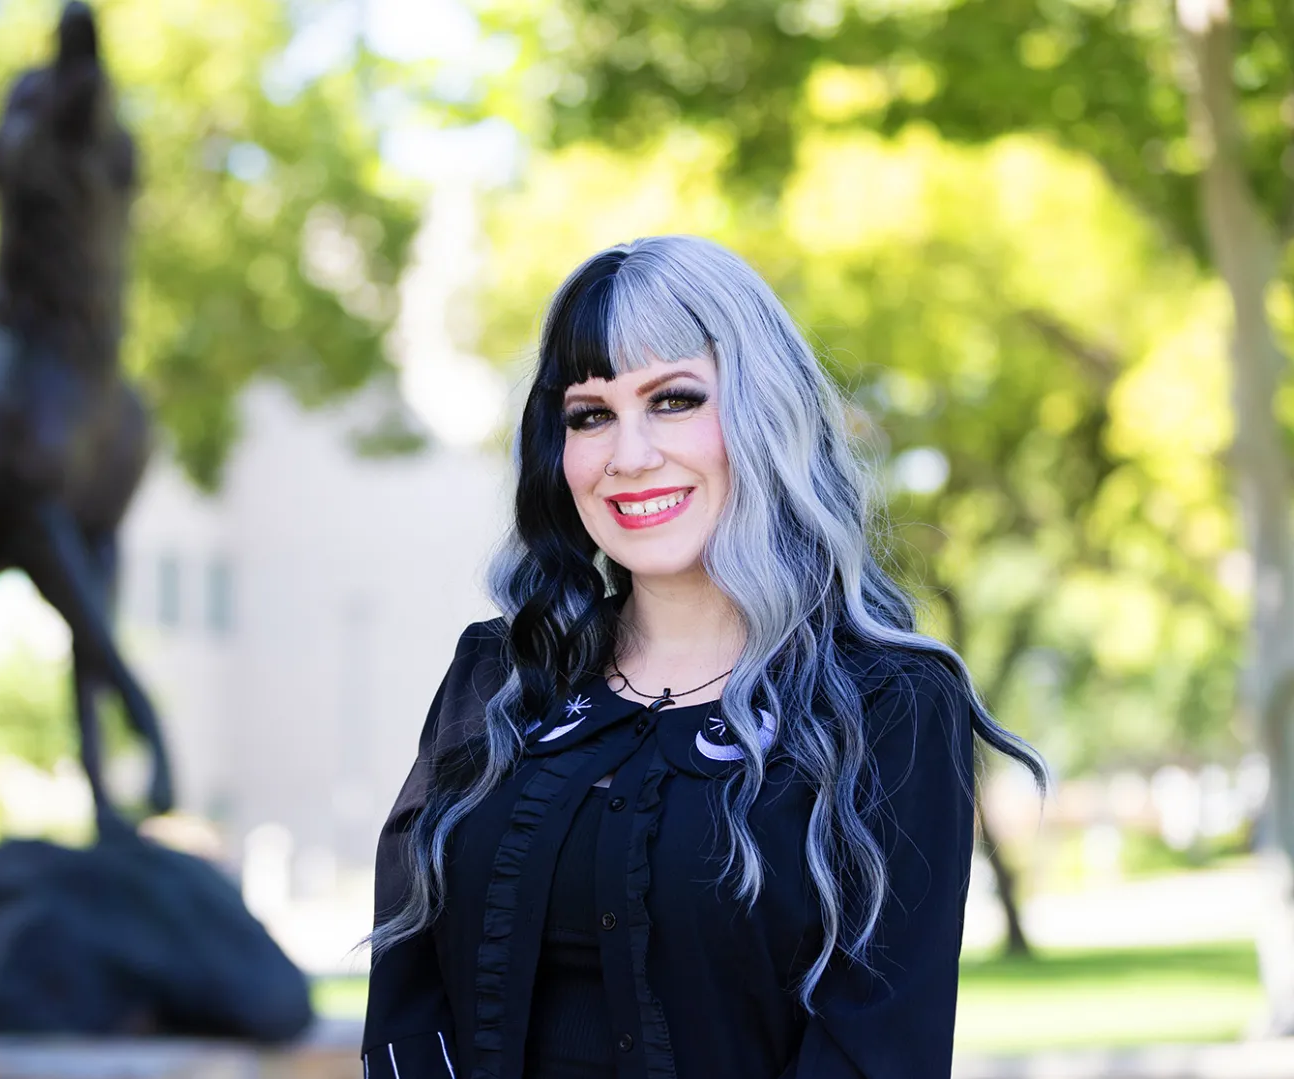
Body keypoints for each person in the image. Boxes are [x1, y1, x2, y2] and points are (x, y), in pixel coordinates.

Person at [362, 236, 1044, 1079]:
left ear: (762, 412)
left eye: (675, 399)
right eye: (591, 414)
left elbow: (879, 1050)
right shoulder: (500, 680)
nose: (629, 454)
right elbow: (406, 1004)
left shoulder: (888, 705)